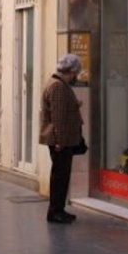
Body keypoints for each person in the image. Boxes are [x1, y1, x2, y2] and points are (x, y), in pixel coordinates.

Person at [40, 53, 84, 224]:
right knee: (60, 176)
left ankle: (59, 209)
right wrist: (60, 141)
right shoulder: (58, 86)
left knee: (61, 175)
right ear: (71, 71)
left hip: (62, 139)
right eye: (75, 73)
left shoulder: (58, 84)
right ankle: (55, 211)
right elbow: (58, 116)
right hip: (60, 141)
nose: (76, 77)